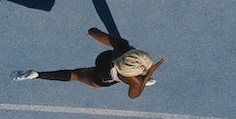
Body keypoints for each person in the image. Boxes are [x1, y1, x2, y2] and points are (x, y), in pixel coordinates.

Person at [13, 28, 163, 97]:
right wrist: (146, 76)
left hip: (105, 59)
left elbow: (93, 31)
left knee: (79, 73)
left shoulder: (122, 45)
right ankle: (36, 75)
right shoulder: (134, 81)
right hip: (105, 78)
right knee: (76, 75)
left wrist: (91, 32)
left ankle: (37, 74)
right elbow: (134, 95)